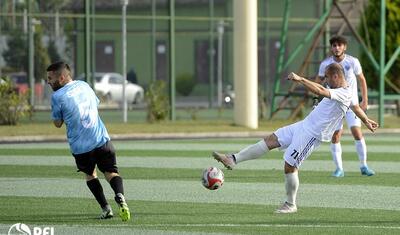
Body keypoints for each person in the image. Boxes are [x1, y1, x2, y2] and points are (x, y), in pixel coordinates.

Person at [212, 63, 378, 214]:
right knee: (271, 139)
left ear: (336, 76)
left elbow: (320, 90)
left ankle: (291, 204)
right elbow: (355, 107)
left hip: (312, 135)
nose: (325, 80)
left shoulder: (344, 92)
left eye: (327, 77)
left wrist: (300, 79)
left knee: (290, 166)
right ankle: (232, 159)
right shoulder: (341, 90)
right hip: (303, 125)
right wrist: (366, 120)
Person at [46, 61, 131, 221]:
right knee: (111, 172)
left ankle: (106, 208)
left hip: (81, 147)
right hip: (101, 139)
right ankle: (120, 195)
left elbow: (57, 124)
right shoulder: (84, 85)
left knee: (91, 175)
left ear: (62, 78)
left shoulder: (57, 96)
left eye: (50, 78)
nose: (48, 82)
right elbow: (95, 105)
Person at [315, 35, 374, 177]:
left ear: (344, 47)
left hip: (352, 104)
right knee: (336, 135)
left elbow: (362, 80)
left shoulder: (353, 61)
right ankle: (339, 169)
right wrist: (316, 100)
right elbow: (318, 82)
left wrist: (364, 99)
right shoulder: (326, 64)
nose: (337, 48)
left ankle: (364, 165)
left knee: (357, 132)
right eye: (334, 45)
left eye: (339, 45)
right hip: (335, 106)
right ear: (331, 48)